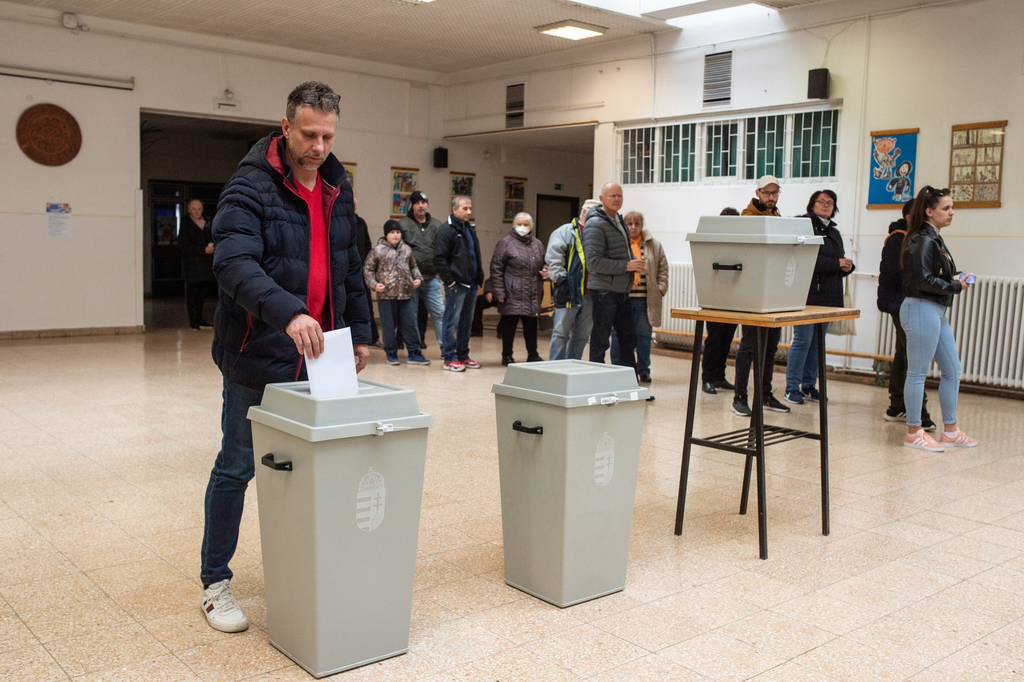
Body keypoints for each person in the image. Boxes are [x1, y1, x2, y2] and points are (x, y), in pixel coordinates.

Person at [202, 81, 371, 633]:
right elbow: (233, 264)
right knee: (238, 465)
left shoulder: (337, 186)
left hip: (324, 355)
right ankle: (215, 582)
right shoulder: (249, 186)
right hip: (262, 349)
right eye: (309, 134)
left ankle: (311, 562)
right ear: (285, 128)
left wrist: (360, 332)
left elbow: (348, 265)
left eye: (327, 135)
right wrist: (289, 313)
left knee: (322, 462)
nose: (319, 145)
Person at [900, 185, 975, 452]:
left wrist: (957, 278)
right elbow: (922, 280)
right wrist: (956, 286)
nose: (952, 212)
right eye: (946, 208)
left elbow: (935, 275)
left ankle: (951, 431)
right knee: (918, 372)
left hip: (935, 310)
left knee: (952, 369)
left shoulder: (934, 238)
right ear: (929, 211)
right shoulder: (922, 239)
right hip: (921, 308)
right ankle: (913, 431)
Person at [783, 190, 855, 405]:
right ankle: (791, 387)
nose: (825, 205)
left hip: (829, 295)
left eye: (830, 202)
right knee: (803, 340)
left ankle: (808, 385)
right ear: (812, 204)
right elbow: (804, 259)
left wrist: (846, 266)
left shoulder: (834, 232)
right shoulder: (804, 226)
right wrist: (836, 264)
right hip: (807, 294)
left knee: (817, 343)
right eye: (821, 201)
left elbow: (836, 260)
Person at [733, 175, 789, 416]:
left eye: (775, 193)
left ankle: (765, 394)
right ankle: (739, 397)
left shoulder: (777, 216)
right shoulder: (747, 217)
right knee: (749, 346)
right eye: (767, 193)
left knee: (771, 345)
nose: (771, 197)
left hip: (774, 291)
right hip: (753, 291)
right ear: (757, 193)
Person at [877, 199, 935, 429]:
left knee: (903, 353)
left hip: (909, 302)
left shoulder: (915, 238)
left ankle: (897, 406)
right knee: (914, 354)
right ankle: (918, 411)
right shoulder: (899, 239)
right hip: (902, 304)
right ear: (911, 217)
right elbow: (894, 273)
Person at [584, 182, 645, 370]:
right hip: (604, 291)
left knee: (629, 339)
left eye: (619, 195)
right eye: (612, 196)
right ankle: (597, 384)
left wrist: (635, 262)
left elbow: (623, 252)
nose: (617, 199)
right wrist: (627, 266)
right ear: (602, 199)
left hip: (621, 290)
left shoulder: (619, 220)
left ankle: (630, 386)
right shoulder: (595, 224)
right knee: (601, 340)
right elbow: (593, 262)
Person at [609, 211, 668, 383]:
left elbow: (663, 269)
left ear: (642, 226)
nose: (633, 227)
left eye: (637, 224)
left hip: (645, 301)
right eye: (629, 224)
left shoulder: (654, 245)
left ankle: (643, 370)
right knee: (618, 336)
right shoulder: (619, 244)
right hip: (622, 299)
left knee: (644, 336)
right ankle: (616, 368)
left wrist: (660, 289)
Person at [364, 220, 429, 365]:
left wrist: (418, 278)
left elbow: (413, 267)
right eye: (392, 232)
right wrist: (374, 285)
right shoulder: (378, 250)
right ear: (386, 234)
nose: (395, 235)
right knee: (388, 326)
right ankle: (391, 353)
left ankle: (414, 353)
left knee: (410, 324)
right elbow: (368, 270)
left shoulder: (406, 249)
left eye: (398, 232)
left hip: (406, 294)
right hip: (386, 295)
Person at [490, 212, 548, 365]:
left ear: (531, 226)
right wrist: (499, 292)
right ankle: (507, 355)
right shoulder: (505, 243)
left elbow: (545, 262)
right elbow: (496, 268)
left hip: (532, 292)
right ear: (514, 225)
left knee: (531, 325)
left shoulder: (538, 244)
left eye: (526, 224)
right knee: (509, 326)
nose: (522, 227)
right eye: (519, 224)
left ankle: (533, 354)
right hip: (512, 293)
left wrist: (546, 270)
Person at [434, 195, 484, 371]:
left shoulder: (470, 229)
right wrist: (450, 282)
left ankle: (463, 355)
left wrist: (479, 277)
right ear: (455, 210)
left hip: (471, 284)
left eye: (470, 208)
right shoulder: (446, 230)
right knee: (450, 321)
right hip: (457, 285)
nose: (469, 212)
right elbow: (439, 259)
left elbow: (475, 254)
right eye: (465, 208)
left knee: (466, 322)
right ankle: (449, 357)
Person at [547, 200, 599, 360]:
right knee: (560, 333)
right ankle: (556, 369)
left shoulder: (598, 234)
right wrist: (561, 280)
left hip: (591, 294)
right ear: (584, 212)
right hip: (568, 291)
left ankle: (572, 366)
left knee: (582, 336)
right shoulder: (564, 232)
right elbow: (554, 259)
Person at [398, 191, 445, 349]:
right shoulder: (403, 225)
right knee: (412, 315)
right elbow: (397, 253)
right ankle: (414, 349)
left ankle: (447, 349)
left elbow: (443, 250)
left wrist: (440, 272)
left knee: (440, 313)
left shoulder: (437, 225)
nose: (421, 205)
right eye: (417, 202)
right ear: (412, 205)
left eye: (423, 202)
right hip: (412, 280)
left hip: (432, 278)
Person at [701, 207, 739, 394]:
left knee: (727, 339)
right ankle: (707, 378)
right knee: (714, 339)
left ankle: (719, 376)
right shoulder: (713, 240)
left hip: (733, 296)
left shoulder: (739, 242)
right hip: (715, 296)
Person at [178, 198, 215, 330]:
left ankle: (200, 319)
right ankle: (193, 321)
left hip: (204, 266)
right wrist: (203, 250)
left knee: (201, 296)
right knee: (192, 295)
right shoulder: (186, 224)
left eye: (199, 209)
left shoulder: (205, 224)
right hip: (193, 267)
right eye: (194, 209)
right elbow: (184, 247)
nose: (197, 211)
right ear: (189, 211)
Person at [353, 199, 380, 347]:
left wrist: (369, 266)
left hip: (362, 271)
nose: (353, 207)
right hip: (345, 272)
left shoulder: (361, 223)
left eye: (355, 205)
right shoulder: (340, 221)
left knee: (366, 306)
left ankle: (372, 338)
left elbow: (368, 245)